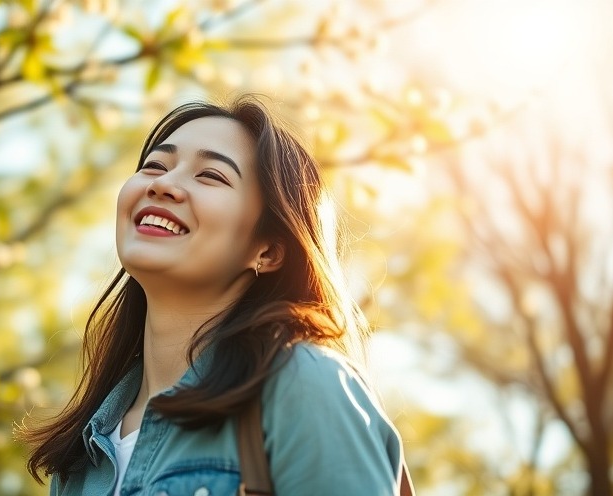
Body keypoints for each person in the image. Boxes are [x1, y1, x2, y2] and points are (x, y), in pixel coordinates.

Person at [22, 95, 410, 495]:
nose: (163, 184)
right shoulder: (82, 455)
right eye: (155, 165)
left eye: (211, 175)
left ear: (269, 251)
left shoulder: (303, 385)